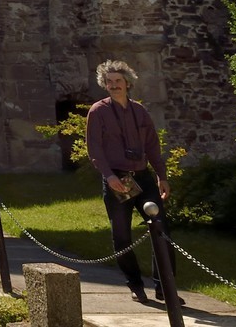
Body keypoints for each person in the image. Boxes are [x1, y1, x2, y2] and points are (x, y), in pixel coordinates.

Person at [86, 59, 172, 303]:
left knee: (161, 230)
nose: (114, 86)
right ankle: (135, 285)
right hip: (118, 178)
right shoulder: (98, 111)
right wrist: (109, 176)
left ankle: (164, 288)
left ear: (128, 83)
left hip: (142, 177)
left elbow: (153, 147)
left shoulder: (140, 111)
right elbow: (95, 149)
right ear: (104, 84)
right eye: (109, 82)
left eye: (118, 81)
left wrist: (161, 176)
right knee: (122, 235)